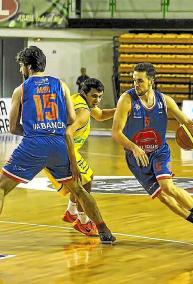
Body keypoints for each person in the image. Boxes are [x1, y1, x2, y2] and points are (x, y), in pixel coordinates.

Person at [0, 46, 115, 244]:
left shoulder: (21, 89)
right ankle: (104, 230)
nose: (21, 71)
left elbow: (12, 128)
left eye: (21, 67)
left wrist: (35, 131)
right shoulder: (61, 85)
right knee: (79, 189)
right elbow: (70, 118)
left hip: (34, 144)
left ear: (28, 66)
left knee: (1, 188)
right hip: (59, 143)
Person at [112, 62, 193, 246]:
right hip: (137, 156)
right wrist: (134, 147)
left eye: (140, 81)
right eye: (133, 81)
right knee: (164, 198)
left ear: (151, 81)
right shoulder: (127, 99)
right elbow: (116, 132)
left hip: (159, 152)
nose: (135, 85)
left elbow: (187, 122)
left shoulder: (164, 101)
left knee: (168, 187)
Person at [44, 78, 116, 236]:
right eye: (94, 96)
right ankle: (84, 222)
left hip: (50, 147)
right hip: (61, 148)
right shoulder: (83, 112)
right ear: (85, 93)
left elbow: (101, 114)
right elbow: (68, 133)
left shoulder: (78, 99)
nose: (97, 100)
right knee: (86, 180)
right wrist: (73, 163)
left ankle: (71, 211)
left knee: (79, 180)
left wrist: (123, 110)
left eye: (100, 96)